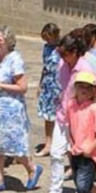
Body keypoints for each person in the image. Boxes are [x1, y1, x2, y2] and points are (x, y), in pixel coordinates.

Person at [33, 30, 95, 193]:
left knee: (78, 159)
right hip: (62, 115)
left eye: (64, 54)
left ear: (74, 52)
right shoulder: (63, 65)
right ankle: (55, 192)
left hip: (79, 119)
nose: (61, 57)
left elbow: (92, 97)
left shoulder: (85, 68)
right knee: (56, 153)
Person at [0, 26, 42, 193]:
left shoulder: (15, 59)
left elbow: (22, 87)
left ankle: (32, 168)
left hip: (10, 109)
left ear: (8, 42)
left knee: (13, 144)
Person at [35, 23, 63, 158]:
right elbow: (45, 67)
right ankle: (48, 143)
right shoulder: (46, 48)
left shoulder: (63, 48)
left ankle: (59, 143)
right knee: (48, 116)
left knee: (60, 116)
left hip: (59, 85)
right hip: (48, 85)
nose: (47, 41)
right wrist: (40, 84)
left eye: (49, 38)